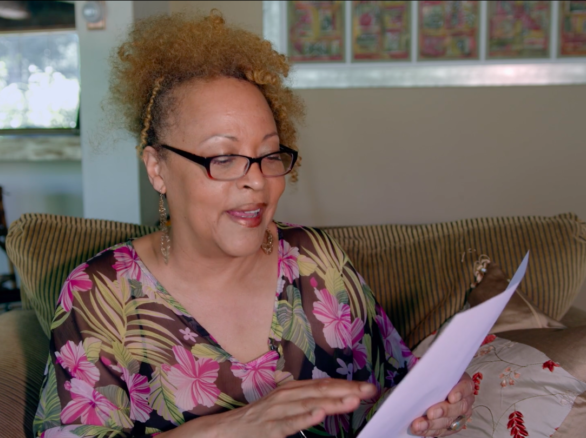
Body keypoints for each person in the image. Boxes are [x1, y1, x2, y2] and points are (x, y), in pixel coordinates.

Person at [34, 11, 474, 438]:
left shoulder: (315, 261)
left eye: (268, 155)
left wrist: (437, 407)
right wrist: (235, 427)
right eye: (223, 158)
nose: (257, 180)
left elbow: (392, 388)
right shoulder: (99, 295)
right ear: (157, 168)